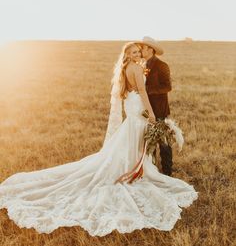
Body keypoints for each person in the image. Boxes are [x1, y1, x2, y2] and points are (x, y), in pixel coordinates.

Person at [0, 41, 198, 237]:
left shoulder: (127, 68)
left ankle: (136, 166)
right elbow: (143, 91)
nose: (138, 54)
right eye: (134, 52)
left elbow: (135, 90)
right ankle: (133, 169)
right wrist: (151, 114)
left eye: (139, 51)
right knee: (135, 137)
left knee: (132, 138)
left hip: (132, 106)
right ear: (128, 54)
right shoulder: (136, 69)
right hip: (139, 107)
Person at [138, 36, 173, 176]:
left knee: (163, 142)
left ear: (150, 49)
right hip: (145, 110)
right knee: (149, 141)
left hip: (159, 109)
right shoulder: (142, 64)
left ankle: (167, 171)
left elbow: (168, 87)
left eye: (143, 48)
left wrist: (148, 91)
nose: (141, 50)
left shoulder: (162, 65)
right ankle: (152, 171)